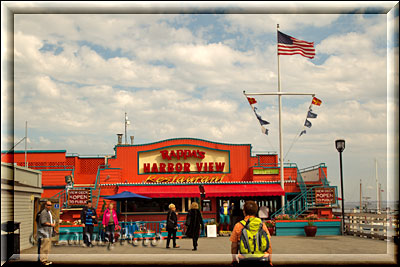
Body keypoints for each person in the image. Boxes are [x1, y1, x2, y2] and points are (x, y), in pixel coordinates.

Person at [230, 200, 272, 266]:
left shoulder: (238, 225)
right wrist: (270, 260)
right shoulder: (262, 225)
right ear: (256, 211)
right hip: (262, 258)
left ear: (244, 212)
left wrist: (234, 259)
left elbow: (234, 246)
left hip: (244, 259)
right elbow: (268, 244)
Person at [38, 201, 56, 265]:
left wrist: (53, 229)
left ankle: (46, 259)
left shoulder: (49, 212)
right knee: (44, 247)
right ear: (45, 205)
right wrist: (51, 224)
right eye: (48, 205)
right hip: (44, 232)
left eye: (50, 205)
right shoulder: (44, 213)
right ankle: (43, 260)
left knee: (47, 247)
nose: (50, 206)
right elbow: (43, 222)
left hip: (49, 232)